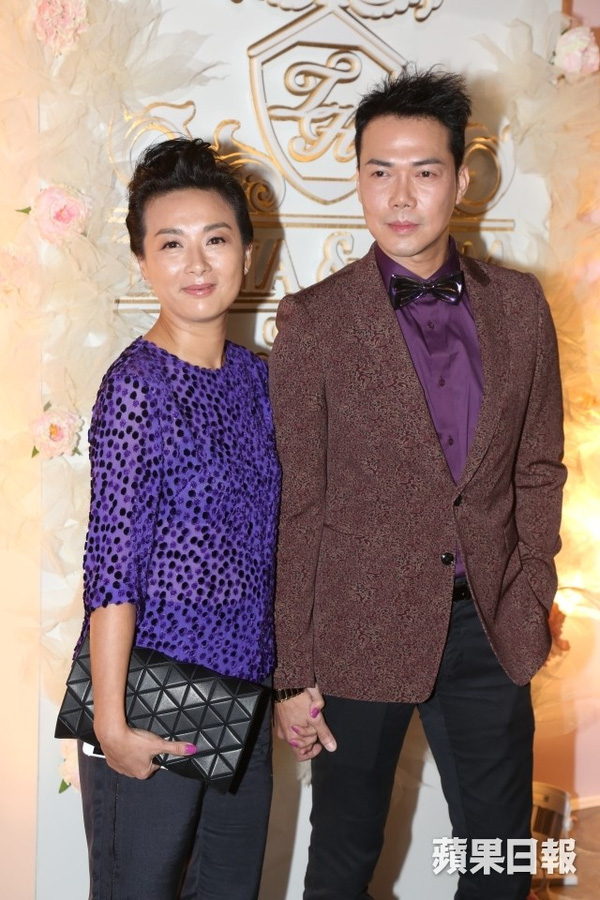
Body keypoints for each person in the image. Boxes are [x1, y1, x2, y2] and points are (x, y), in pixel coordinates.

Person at [268, 68, 566, 899]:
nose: (400, 197)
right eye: (380, 171)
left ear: (461, 180)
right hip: (356, 629)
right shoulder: (314, 321)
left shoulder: (521, 306)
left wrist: (530, 594)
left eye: (424, 171)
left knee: (499, 864)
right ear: (358, 178)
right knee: (343, 863)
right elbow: (300, 506)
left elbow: (538, 466)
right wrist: (292, 672)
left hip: (487, 628)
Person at [74, 137, 281, 900]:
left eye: (215, 240)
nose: (196, 263)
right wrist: (111, 721)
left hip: (244, 694)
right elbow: (112, 564)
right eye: (170, 243)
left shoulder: (259, 381)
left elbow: (273, 547)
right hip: (153, 689)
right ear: (143, 262)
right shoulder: (136, 385)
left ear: (248, 256)